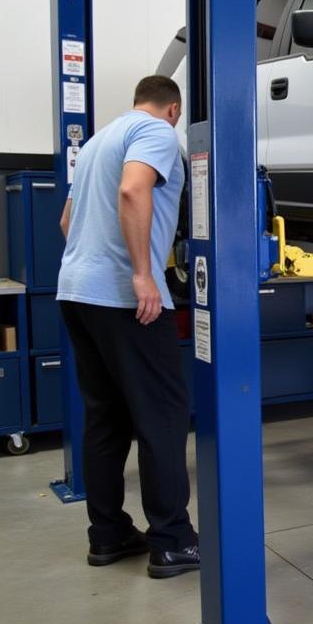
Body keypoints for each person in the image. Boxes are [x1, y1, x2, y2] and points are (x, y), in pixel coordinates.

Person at [57, 75, 199, 579]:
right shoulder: (157, 133)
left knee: (106, 417)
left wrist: (97, 263)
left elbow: (67, 222)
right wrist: (142, 273)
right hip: (123, 299)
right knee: (162, 414)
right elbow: (134, 191)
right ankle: (172, 542)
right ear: (173, 109)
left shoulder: (98, 140)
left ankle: (109, 534)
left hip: (76, 292)